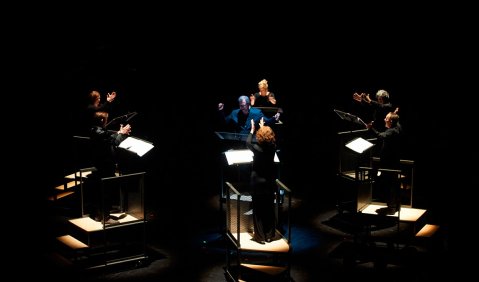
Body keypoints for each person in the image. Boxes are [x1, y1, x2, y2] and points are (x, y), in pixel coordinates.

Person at [87, 111, 131, 224]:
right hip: (105, 165)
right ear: (102, 120)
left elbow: (108, 136)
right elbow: (114, 141)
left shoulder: (94, 129)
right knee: (106, 191)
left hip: (99, 164)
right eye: (106, 120)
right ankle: (106, 218)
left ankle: (98, 215)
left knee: (100, 191)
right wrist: (122, 133)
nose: (107, 121)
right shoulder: (99, 132)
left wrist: (119, 132)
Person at [246, 118, 278, 244]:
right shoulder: (273, 147)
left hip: (258, 184)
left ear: (259, 136)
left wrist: (253, 130)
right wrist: (263, 126)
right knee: (269, 209)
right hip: (269, 183)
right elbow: (266, 137)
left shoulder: (256, 149)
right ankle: (270, 235)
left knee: (258, 211)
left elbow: (248, 142)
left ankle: (260, 237)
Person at [366, 111, 402, 215]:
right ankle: (396, 207)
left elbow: (381, 136)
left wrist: (371, 128)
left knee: (389, 185)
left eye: (386, 118)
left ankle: (391, 208)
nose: (384, 119)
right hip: (392, 162)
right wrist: (394, 113)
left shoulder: (392, 131)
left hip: (389, 164)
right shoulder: (398, 127)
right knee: (393, 185)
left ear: (391, 121)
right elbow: (397, 121)